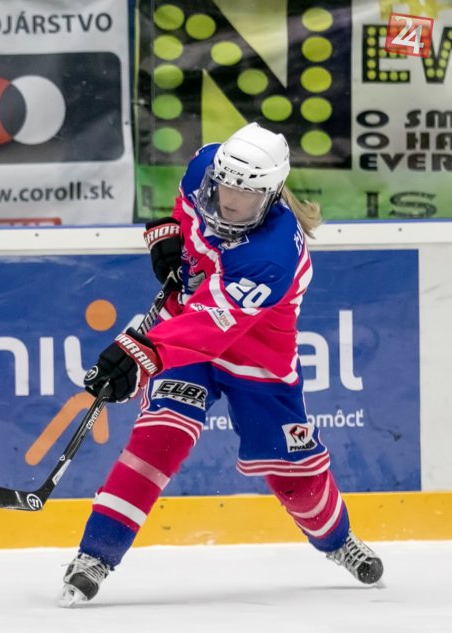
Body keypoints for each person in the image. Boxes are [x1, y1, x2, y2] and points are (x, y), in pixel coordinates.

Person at [58, 122, 383, 607]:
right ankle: (94, 556)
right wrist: (170, 237)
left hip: (255, 359)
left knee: (295, 478)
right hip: (186, 340)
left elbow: (212, 325)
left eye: (245, 196)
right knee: (158, 440)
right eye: (224, 186)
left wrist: (141, 354)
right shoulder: (204, 166)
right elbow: (184, 210)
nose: (229, 201)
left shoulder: (272, 254)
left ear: (270, 197)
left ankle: (338, 540)